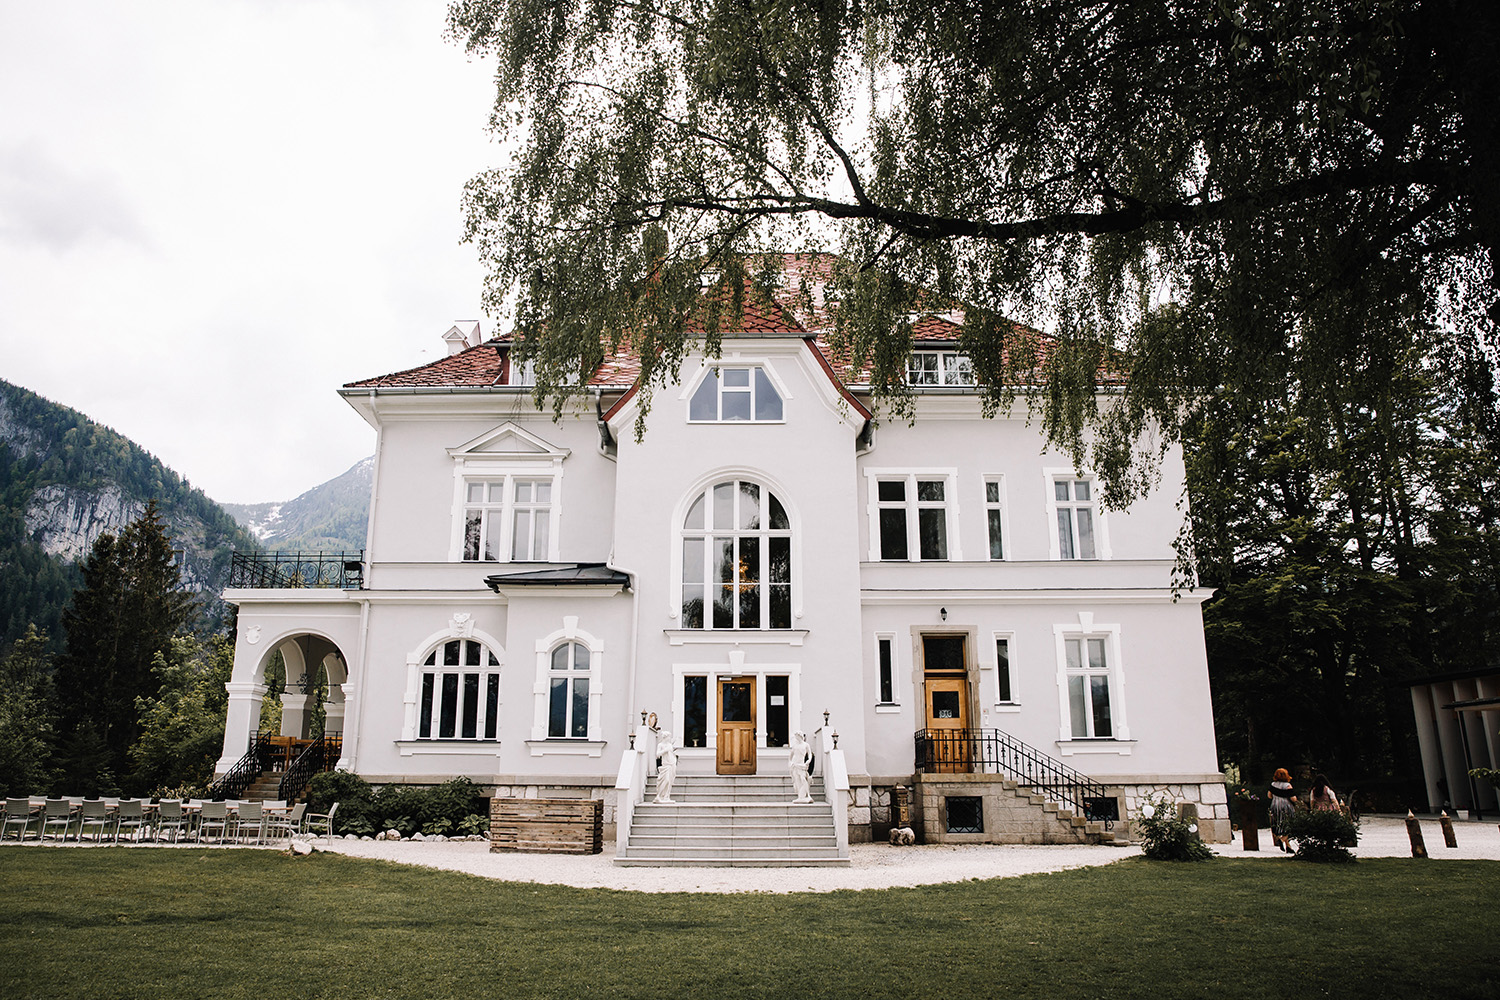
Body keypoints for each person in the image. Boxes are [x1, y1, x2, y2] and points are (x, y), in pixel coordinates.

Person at [1268, 767, 1298, 852]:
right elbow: (1293, 798)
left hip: (1275, 806)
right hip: (1285, 806)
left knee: (1280, 825)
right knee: (1290, 825)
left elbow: (1269, 796)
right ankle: (1281, 840)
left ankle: (1288, 847)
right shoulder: (1287, 786)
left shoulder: (1273, 785)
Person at [654, 730, 679, 803]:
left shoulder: (670, 745)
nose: (669, 738)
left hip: (672, 764)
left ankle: (666, 797)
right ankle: (658, 796)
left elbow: (671, 754)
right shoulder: (660, 745)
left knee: (669, 781)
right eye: (669, 737)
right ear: (665, 737)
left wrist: (674, 761)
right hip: (666, 765)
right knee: (665, 780)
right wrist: (665, 750)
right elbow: (658, 754)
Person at [788, 732, 813, 803]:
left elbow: (810, 754)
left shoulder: (806, 745)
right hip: (795, 763)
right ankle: (800, 796)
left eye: (797, 737)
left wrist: (809, 760)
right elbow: (790, 756)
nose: (796, 738)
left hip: (801, 764)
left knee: (803, 779)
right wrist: (790, 762)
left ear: (800, 736)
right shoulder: (795, 746)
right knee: (797, 780)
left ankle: (808, 795)